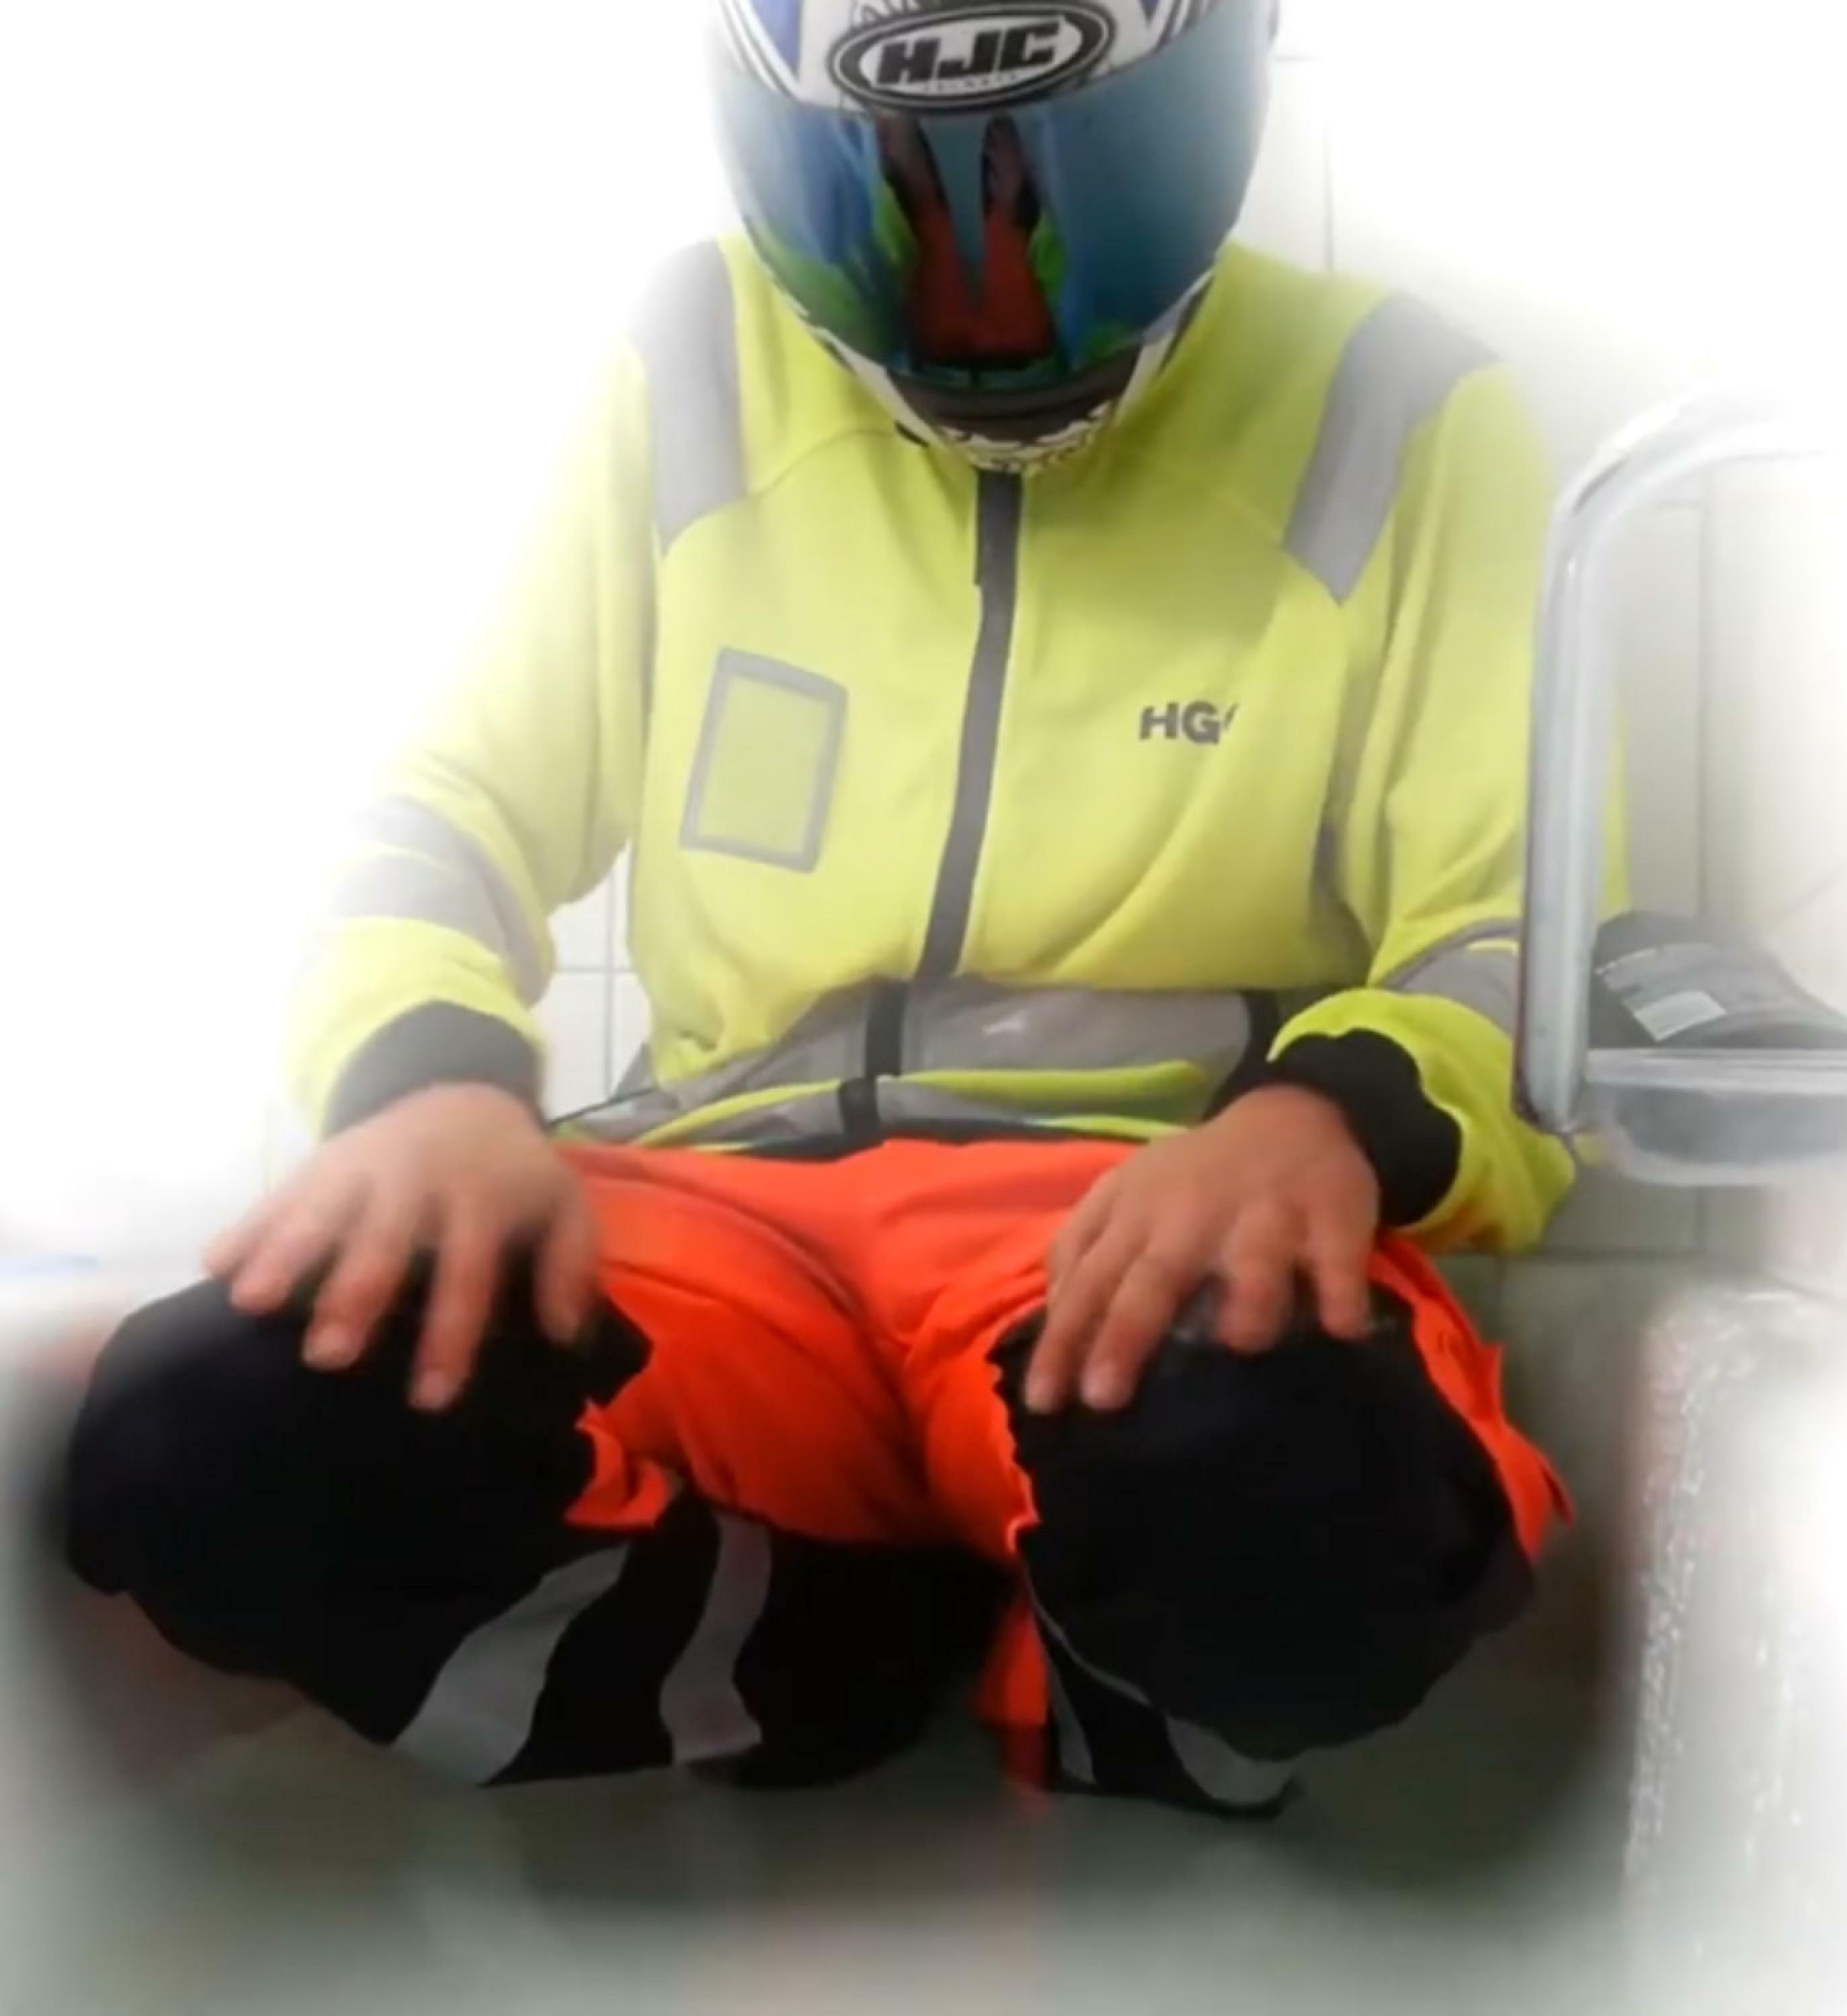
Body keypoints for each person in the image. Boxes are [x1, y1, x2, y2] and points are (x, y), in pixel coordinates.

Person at [61, 0, 1586, 1817]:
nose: (979, 303)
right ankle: (826, 1648)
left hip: (1128, 1238)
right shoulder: (688, 364)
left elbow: (1516, 940)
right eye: (890, 200)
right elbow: (441, 816)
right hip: (713, 1225)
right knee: (205, 1440)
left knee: (1316, 1528)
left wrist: (1316, 1126)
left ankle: (1005, 1641)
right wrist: (432, 1089)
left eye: (1050, 197)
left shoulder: (1404, 414)